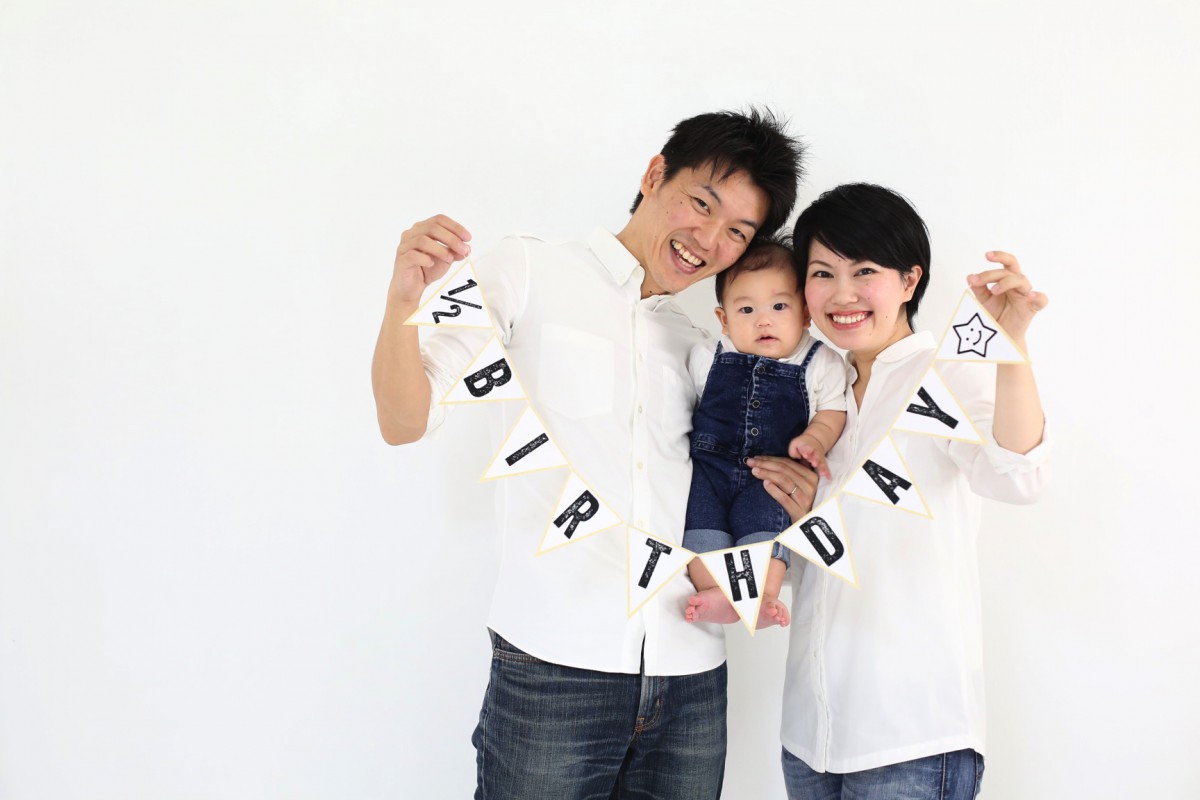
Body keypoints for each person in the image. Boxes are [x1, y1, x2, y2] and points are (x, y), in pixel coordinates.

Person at [371, 109, 811, 800]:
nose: (709, 241)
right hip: (554, 667)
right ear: (655, 174)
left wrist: (797, 489)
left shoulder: (703, 344)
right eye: (702, 204)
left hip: (691, 675)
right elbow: (404, 421)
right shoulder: (527, 270)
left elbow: (734, 473)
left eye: (738, 231)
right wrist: (403, 299)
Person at [778, 183, 1050, 799]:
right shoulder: (813, 391)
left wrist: (1012, 349)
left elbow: (1021, 476)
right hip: (808, 735)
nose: (842, 294)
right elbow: (820, 561)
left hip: (912, 737)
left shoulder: (945, 375)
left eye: (865, 272)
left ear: (909, 281)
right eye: (822, 273)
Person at [681, 238, 847, 629]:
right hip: (709, 470)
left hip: (769, 476)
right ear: (724, 320)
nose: (763, 320)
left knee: (766, 528)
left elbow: (833, 411)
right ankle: (714, 591)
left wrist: (816, 439)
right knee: (700, 526)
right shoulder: (707, 356)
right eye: (746, 309)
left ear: (805, 313)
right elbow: (684, 412)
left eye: (779, 306)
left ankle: (764, 594)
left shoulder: (820, 361)